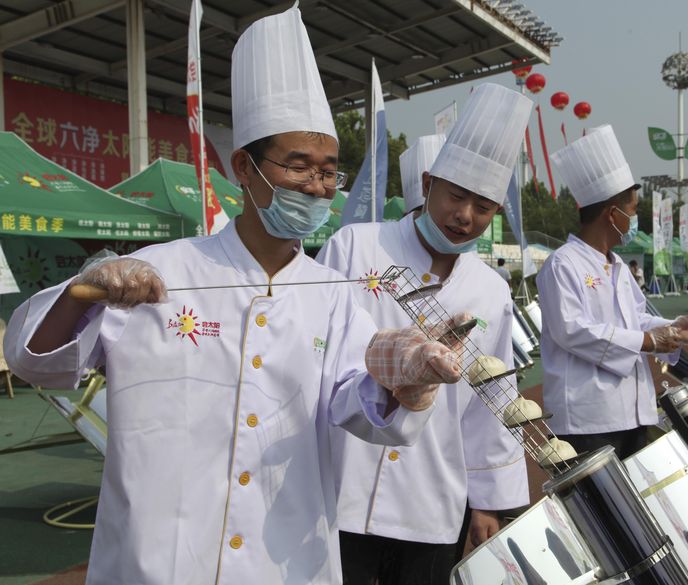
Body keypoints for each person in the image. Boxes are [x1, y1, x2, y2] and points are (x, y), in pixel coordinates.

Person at [2, 9, 457, 585]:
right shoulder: (158, 276)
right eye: (297, 166)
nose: (316, 188)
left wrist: (405, 377)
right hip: (155, 562)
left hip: (284, 559)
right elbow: (33, 362)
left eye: (327, 173)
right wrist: (81, 292)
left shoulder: (333, 295)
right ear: (244, 167)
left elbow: (363, 411)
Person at [317, 83, 532, 585]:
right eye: (456, 195)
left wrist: (488, 500)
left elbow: (493, 398)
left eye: (483, 207)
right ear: (430, 182)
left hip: (431, 498)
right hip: (338, 487)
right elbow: (318, 356)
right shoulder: (355, 248)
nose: (465, 217)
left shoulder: (490, 291)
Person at [536, 126, 688, 459]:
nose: (634, 219)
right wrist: (649, 341)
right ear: (613, 214)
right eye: (633, 210)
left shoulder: (619, 267)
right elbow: (572, 330)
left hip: (632, 408)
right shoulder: (562, 264)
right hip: (587, 418)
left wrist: (675, 329)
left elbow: (636, 318)